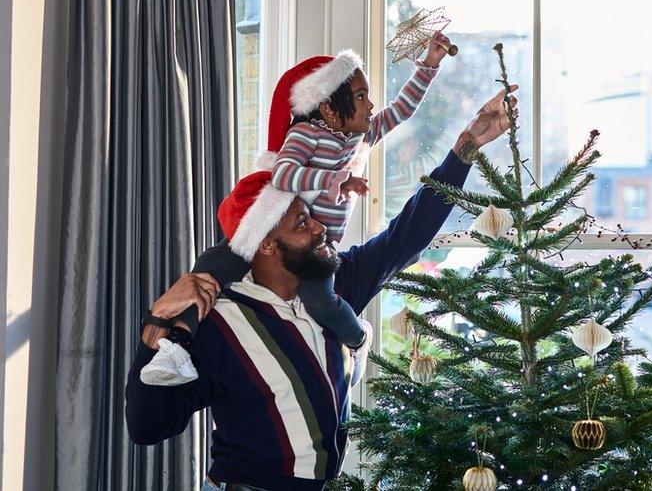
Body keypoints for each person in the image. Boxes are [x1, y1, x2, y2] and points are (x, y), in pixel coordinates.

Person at [125, 86, 518, 490]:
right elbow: (147, 426)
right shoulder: (218, 321)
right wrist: (157, 322)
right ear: (265, 244)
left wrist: (468, 145)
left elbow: (409, 232)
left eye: (311, 216)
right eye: (301, 223)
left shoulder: (335, 284)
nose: (319, 228)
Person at [140, 36, 455, 387]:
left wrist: (429, 65)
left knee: (320, 302)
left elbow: (400, 110)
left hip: (318, 251)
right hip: (273, 236)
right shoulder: (307, 134)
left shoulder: (360, 137)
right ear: (329, 110)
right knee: (208, 270)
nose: (371, 106)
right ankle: (175, 349)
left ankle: (358, 340)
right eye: (361, 97)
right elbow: (284, 172)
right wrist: (335, 179)